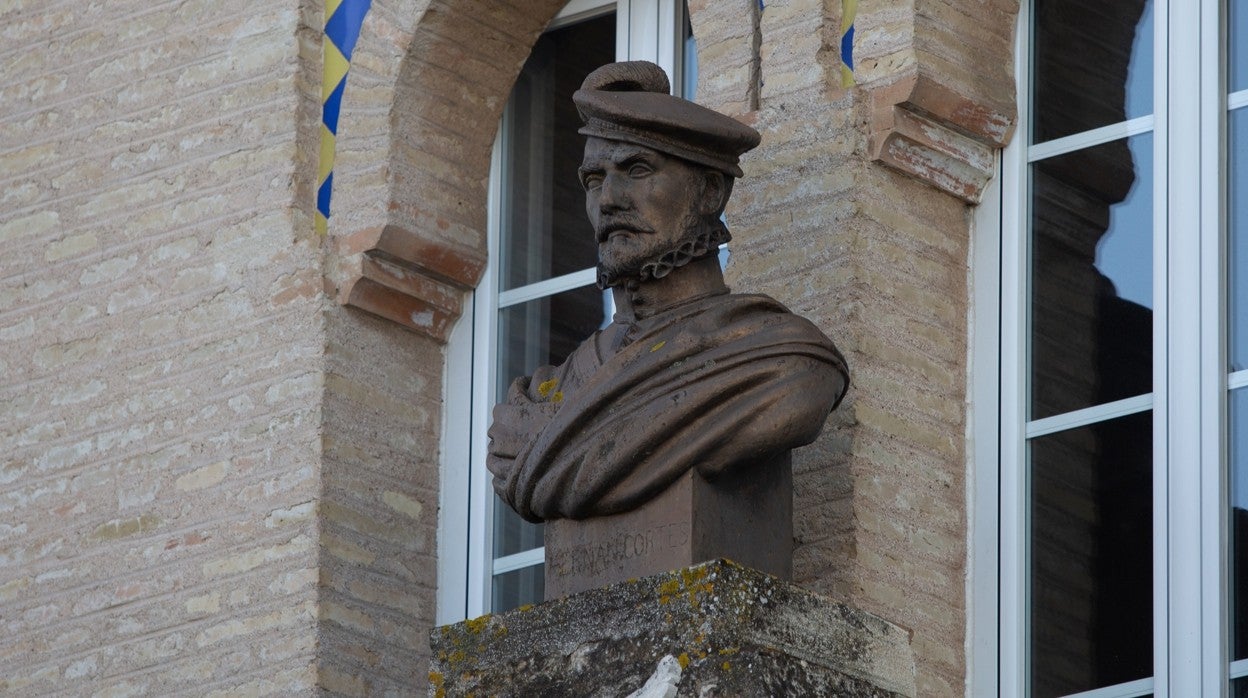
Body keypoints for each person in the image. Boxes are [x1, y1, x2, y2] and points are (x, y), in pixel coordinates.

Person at [487, 61, 849, 523]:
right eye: (594, 180)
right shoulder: (541, 400)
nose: (608, 199)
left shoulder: (779, 362)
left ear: (709, 194)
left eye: (636, 169)